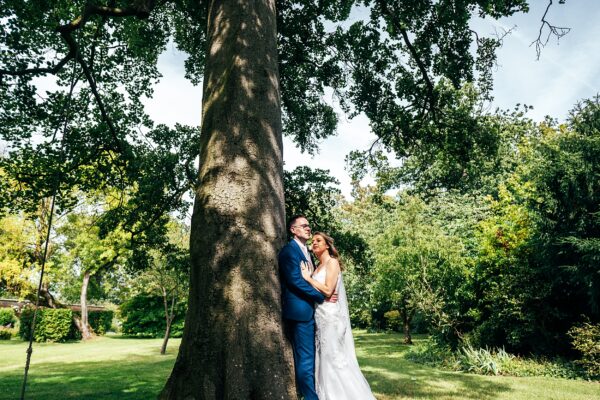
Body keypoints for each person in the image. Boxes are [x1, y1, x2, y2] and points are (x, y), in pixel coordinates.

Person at [300, 232, 376, 400]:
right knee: (324, 361)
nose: (315, 243)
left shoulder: (332, 263)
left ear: (327, 245)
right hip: (320, 318)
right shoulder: (316, 266)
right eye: (313, 242)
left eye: (319, 240)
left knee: (336, 360)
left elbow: (328, 290)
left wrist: (308, 278)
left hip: (331, 318)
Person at [278, 215, 325, 400]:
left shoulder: (306, 251)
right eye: (303, 226)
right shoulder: (289, 251)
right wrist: (320, 296)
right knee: (306, 359)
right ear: (293, 230)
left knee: (311, 357)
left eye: (308, 225)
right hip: (300, 313)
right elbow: (295, 280)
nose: (308, 228)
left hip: (310, 311)